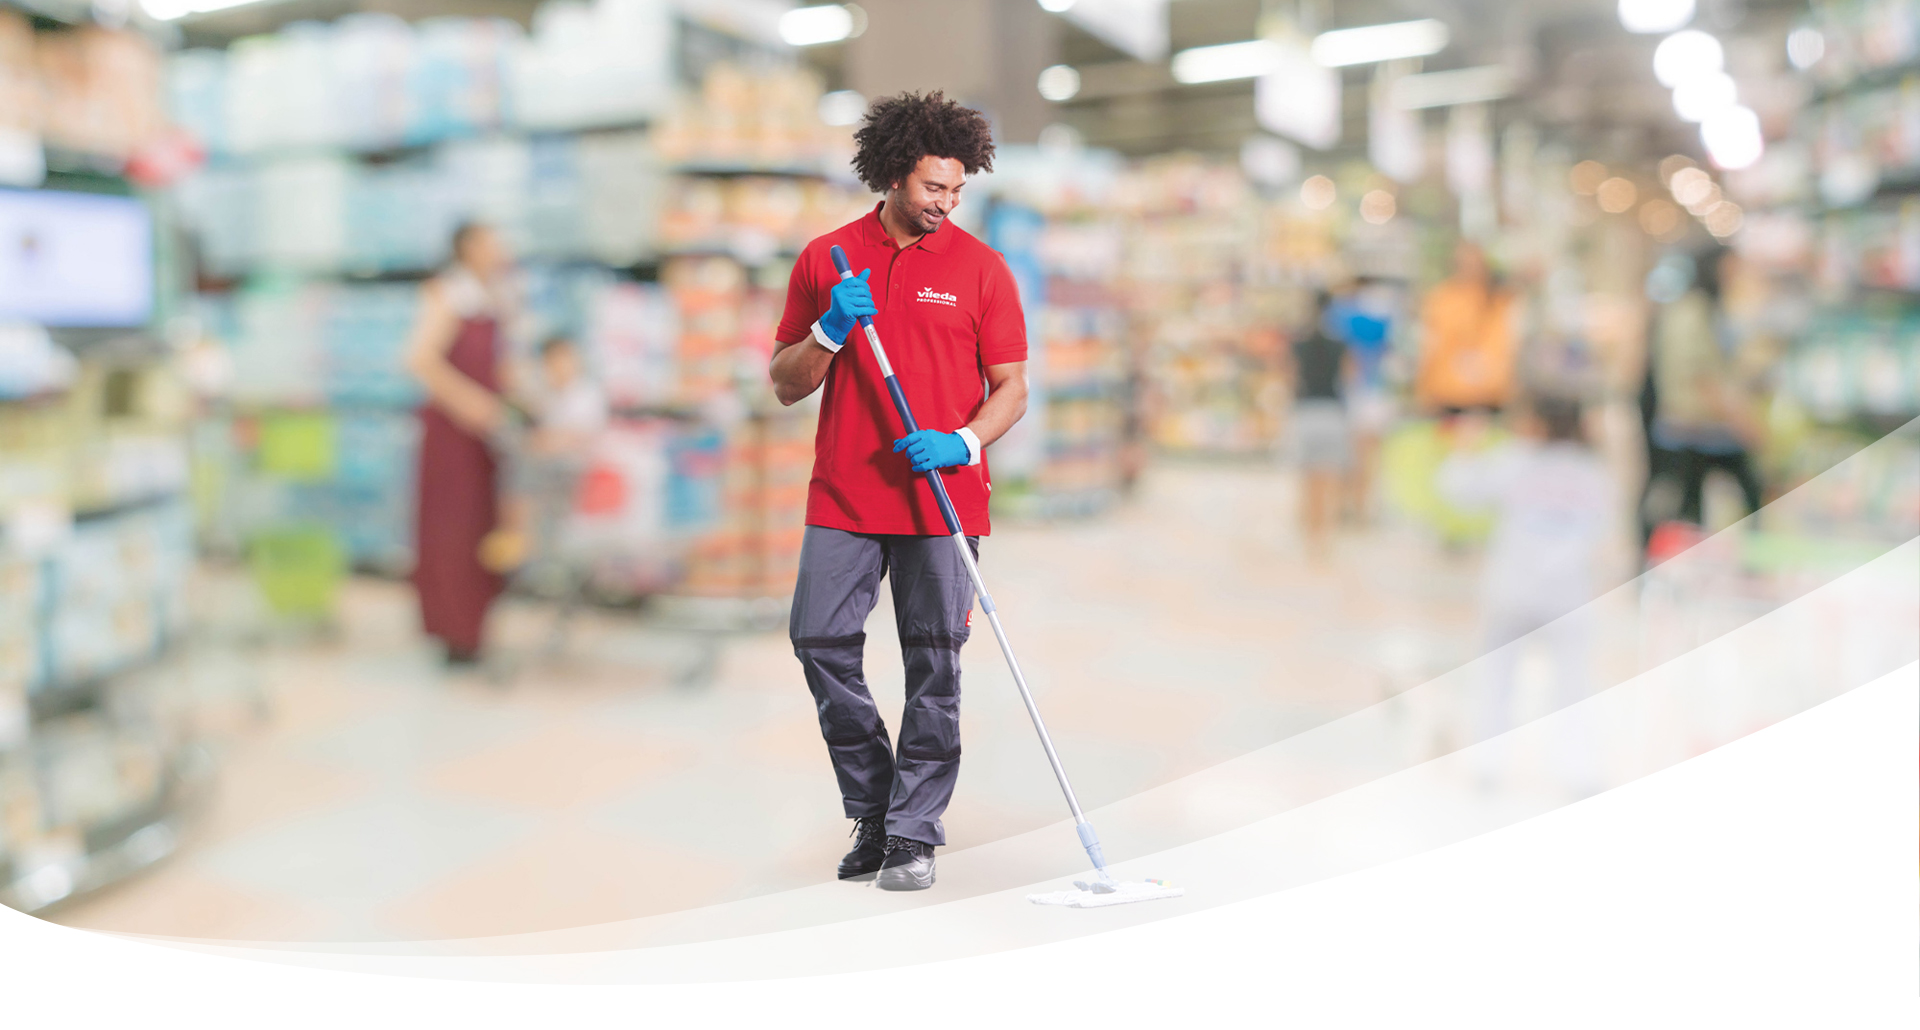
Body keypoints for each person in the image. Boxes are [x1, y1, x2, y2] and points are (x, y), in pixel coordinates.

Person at [769, 92, 1026, 892]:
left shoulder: (983, 269)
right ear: (891, 175)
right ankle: (877, 805)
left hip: (940, 499)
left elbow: (1012, 387)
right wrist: (828, 333)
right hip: (845, 494)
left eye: (956, 191)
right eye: (931, 190)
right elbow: (784, 384)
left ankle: (912, 833)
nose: (945, 206)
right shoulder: (827, 259)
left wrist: (962, 440)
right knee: (819, 641)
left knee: (934, 664)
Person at [1437, 396, 1615, 794]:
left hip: (1511, 590)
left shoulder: (1513, 461)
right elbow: (1605, 525)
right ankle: (1578, 769)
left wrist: (1464, 449)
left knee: (1497, 678)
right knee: (1573, 685)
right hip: (1570, 595)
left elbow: (1456, 490)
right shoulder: (1593, 471)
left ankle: (1487, 762)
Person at [404, 222, 517, 667]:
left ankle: (475, 626)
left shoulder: (496, 297)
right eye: (492, 240)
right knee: (451, 532)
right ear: (468, 248)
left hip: (486, 437)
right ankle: (453, 631)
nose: (500, 249)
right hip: (452, 435)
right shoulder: (446, 295)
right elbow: (418, 359)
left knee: (481, 531)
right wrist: (470, 402)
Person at [1642, 246, 1763, 547]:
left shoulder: (1709, 309)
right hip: (1693, 424)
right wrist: (1739, 419)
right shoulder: (1691, 311)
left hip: (1704, 422)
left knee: (1696, 503)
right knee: (1688, 502)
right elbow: (1698, 375)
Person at [1284, 290, 1356, 562]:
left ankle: (1311, 539)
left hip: (1306, 412)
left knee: (1308, 481)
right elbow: (1349, 378)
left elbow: (1290, 378)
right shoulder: (1341, 344)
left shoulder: (1298, 344)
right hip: (1332, 413)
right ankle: (1324, 539)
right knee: (1330, 482)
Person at [1415, 242, 1516, 417]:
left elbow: (1506, 347)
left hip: (1489, 395)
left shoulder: (1500, 300)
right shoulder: (1441, 298)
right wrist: (1425, 390)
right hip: (1447, 394)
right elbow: (1431, 346)